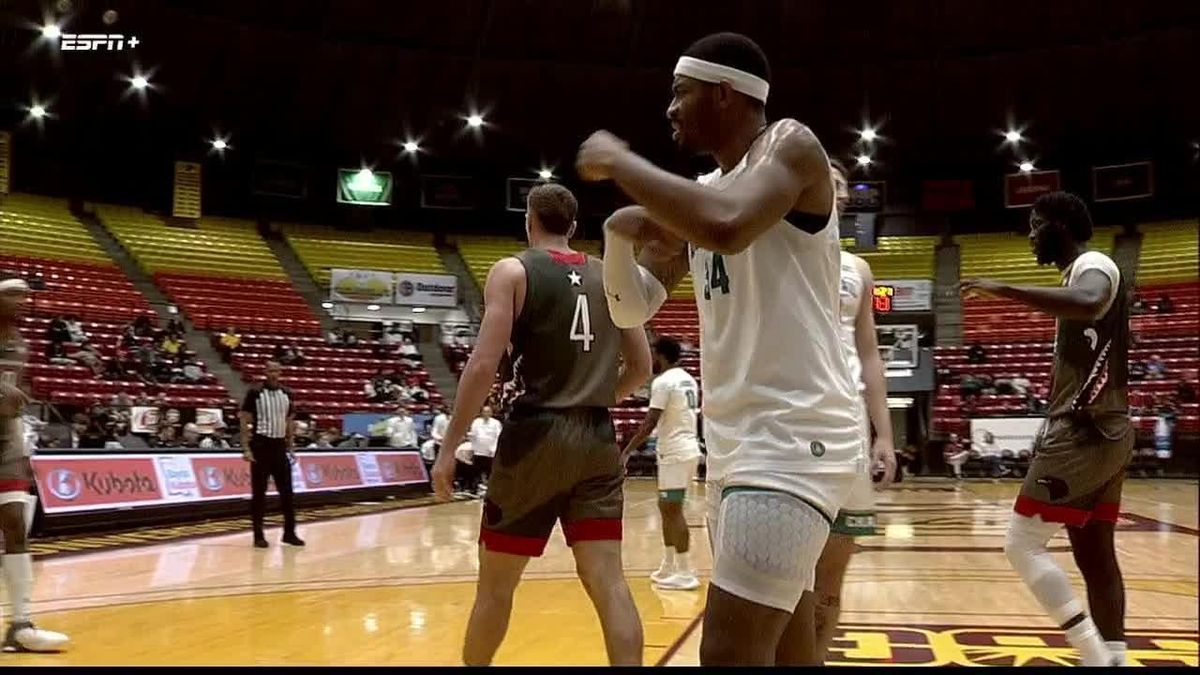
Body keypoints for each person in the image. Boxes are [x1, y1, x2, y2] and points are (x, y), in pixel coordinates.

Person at [580, 33, 862, 664]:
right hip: (736, 447)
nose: (670, 108)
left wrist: (621, 163)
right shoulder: (707, 189)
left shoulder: (791, 145)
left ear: (725, 94)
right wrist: (617, 241)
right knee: (788, 656)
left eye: (681, 93)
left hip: (793, 438)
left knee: (727, 655)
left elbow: (728, 225)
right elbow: (632, 309)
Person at [430, 183, 652, 666]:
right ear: (573, 227)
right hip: (596, 438)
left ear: (528, 220)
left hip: (535, 436)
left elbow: (484, 363)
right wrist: (596, 397)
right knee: (610, 583)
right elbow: (641, 368)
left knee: (495, 589)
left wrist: (449, 447)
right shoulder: (613, 273)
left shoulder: (512, 271)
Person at [961, 191, 1132, 666]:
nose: (1031, 234)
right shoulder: (1076, 273)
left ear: (1061, 224)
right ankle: (1113, 659)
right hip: (1108, 429)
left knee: (1020, 545)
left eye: (1037, 223)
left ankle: (1094, 657)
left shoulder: (1092, 264)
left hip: (1085, 431)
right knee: (1095, 555)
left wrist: (1004, 289)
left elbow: (1091, 300)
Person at [792, 161, 897, 664]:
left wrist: (885, 435)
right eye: (818, 181)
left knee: (831, 577)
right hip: (789, 424)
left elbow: (871, 356)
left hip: (848, 426)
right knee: (787, 575)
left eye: (836, 185)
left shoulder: (859, 269)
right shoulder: (780, 251)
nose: (829, 191)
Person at [0, 277, 70, 652]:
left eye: (25, 296)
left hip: (6, 439)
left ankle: (20, 624)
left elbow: (13, 394)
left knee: (15, 524)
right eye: (13, 296)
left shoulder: (20, 345)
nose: (22, 302)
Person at [620, 335, 702, 591]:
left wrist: (626, 452)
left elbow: (650, 422)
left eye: (652, 351)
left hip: (675, 452)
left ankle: (686, 571)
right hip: (685, 448)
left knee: (672, 510)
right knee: (667, 509)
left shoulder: (664, 382)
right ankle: (669, 565)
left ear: (661, 354)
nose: (650, 357)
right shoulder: (687, 379)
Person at [239, 361, 304, 549]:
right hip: (260, 445)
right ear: (265, 372)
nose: (273, 373)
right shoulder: (255, 393)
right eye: (270, 370)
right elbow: (244, 421)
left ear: (280, 372)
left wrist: (291, 447)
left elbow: (289, 422)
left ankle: (289, 533)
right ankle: (258, 535)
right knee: (259, 494)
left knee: (288, 494)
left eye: (276, 370)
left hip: (279, 447)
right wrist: (246, 448)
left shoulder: (288, 394)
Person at [467, 406, 502, 492]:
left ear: (491, 413)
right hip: (478, 451)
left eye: (488, 412)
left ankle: (492, 490)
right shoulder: (476, 422)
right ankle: (474, 489)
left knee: (490, 472)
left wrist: (494, 449)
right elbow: (473, 433)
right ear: (481, 413)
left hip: (490, 452)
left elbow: (498, 436)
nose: (486, 413)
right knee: (476, 471)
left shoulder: (496, 423)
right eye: (484, 412)